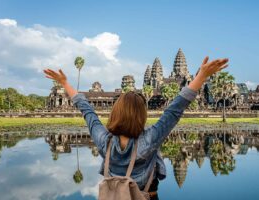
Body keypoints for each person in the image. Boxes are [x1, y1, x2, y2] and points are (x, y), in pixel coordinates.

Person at [44, 56, 228, 199]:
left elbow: (87, 111)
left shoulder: (103, 141)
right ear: (142, 116)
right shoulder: (149, 140)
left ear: (115, 113)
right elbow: (175, 109)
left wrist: (65, 83)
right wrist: (202, 76)